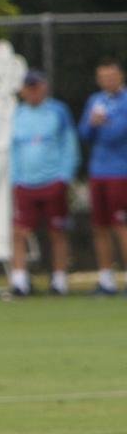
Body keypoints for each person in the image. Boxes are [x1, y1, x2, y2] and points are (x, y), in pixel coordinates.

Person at [8, 69, 79, 297]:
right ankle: (19, 281)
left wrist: (64, 177)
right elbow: (14, 150)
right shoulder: (17, 114)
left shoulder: (58, 112)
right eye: (28, 88)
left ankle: (59, 280)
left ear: (44, 88)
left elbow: (70, 146)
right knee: (19, 232)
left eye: (36, 87)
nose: (32, 92)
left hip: (52, 182)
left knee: (57, 232)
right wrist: (14, 179)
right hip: (25, 184)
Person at [77, 57, 127, 295]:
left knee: (122, 225)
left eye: (112, 76)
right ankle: (106, 279)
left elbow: (118, 133)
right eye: (103, 77)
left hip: (121, 172)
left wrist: (102, 124)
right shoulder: (95, 101)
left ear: (120, 76)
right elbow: (84, 132)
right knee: (100, 226)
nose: (107, 81)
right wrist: (93, 123)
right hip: (98, 172)